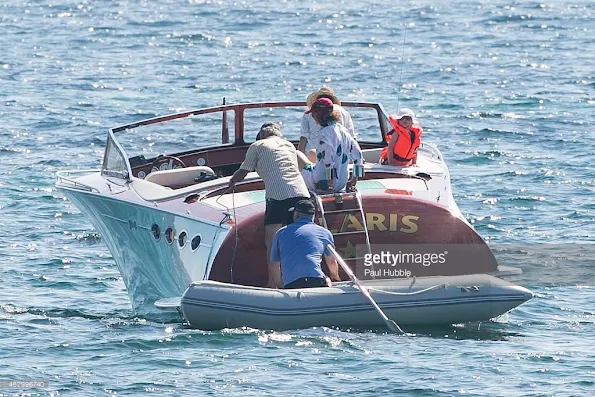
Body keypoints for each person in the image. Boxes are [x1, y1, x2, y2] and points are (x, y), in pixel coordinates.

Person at [228, 122, 310, 287]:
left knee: (272, 241)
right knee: (301, 237)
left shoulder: (257, 146)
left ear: (261, 135)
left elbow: (243, 171)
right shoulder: (288, 145)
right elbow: (301, 165)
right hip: (302, 194)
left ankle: (273, 283)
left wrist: (231, 182)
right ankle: (304, 277)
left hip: (278, 197)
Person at [269, 199, 341, 289]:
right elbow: (332, 262)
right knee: (327, 279)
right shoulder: (325, 233)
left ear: (296, 214)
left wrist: (280, 285)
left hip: (291, 284)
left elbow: (274, 265)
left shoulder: (281, 233)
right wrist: (335, 277)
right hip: (315, 281)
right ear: (313, 216)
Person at [299, 98, 364, 193]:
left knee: (295, 154)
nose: (312, 117)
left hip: (321, 182)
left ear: (318, 115)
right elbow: (358, 155)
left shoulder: (324, 134)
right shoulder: (342, 130)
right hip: (341, 183)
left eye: (313, 114)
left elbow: (328, 161)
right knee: (311, 153)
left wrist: (328, 186)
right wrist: (354, 179)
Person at [298, 86, 356, 157]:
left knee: (308, 153)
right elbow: (352, 138)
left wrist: (299, 158)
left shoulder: (323, 134)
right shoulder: (344, 116)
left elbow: (303, 138)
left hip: (318, 159)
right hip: (342, 158)